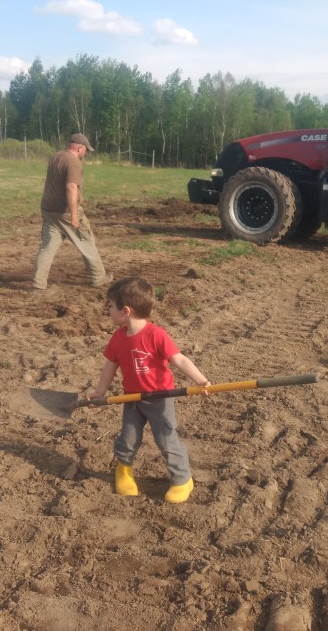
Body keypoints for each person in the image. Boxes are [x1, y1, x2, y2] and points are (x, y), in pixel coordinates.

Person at [89, 276, 210, 504]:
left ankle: (182, 480)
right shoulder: (118, 338)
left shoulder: (156, 335)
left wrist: (201, 381)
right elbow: (110, 367)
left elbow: (179, 359)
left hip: (160, 398)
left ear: (125, 311)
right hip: (132, 399)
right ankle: (123, 471)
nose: (108, 311)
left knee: (166, 440)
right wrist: (100, 392)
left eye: (110, 306)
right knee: (128, 439)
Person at [32, 133, 112, 290]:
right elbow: (71, 188)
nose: (86, 153)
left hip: (49, 210)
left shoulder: (55, 157)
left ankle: (38, 284)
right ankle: (99, 278)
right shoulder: (74, 162)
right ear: (79, 148)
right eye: (86, 150)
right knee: (87, 243)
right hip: (66, 212)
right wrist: (74, 215)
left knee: (47, 248)